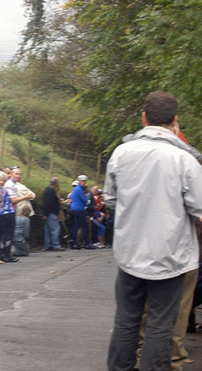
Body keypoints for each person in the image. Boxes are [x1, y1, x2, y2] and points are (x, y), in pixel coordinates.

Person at [105, 91, 202, 371]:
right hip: (170, 256)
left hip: (130, 253)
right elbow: (198, 208)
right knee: (161, 324)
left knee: (126, 320)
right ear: (175, 121)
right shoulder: (184, 159)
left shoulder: (121, 153)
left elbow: (111, 199)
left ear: (144, 118)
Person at [0, 170, 19, 262]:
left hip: (1, 214)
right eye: (0, 180)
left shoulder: (2, 189)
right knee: (7, 235)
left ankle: (3, 253)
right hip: (7, 213)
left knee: (4, 235)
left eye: (3, 180)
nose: (1, 182)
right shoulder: (4, 189)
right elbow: (13, 200)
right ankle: (6, 254)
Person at [68, 175, 95, 250]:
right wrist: (88, 201)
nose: (84, 183)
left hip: (75, 209)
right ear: (79, 182)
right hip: (79, 209)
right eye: (83, 181)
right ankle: (87, 244)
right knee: (84, 226)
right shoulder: (79, 189)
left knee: (76, 226)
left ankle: (74, 244)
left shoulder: (76, 189)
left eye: (84, 181)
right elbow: (83, 198)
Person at [43, 177, 64, 252]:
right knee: (55, 229)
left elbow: (45, 203)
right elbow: (49, 203)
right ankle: (56, 245)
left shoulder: (47, 189)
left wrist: (45, 213)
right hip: (52, 212)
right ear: (56, 184)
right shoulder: (51, 191)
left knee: (48, 230)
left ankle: (47, 245)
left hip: (48, 213)